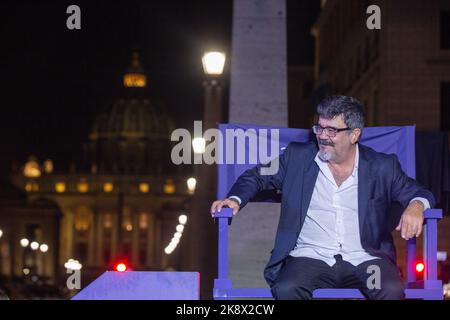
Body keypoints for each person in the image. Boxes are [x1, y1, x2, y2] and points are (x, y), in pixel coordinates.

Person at [210, 95, 435, 300]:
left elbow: (419, 192)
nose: (323, 137)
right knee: (288, 288)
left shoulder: (382, 166)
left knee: (390, 290)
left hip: (365, 260)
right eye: (320, 128)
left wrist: (416, 206)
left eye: (332, 131)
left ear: (354, 134)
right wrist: (235, 199)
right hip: (310, 258)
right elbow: (256, 176)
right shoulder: (296, 158)